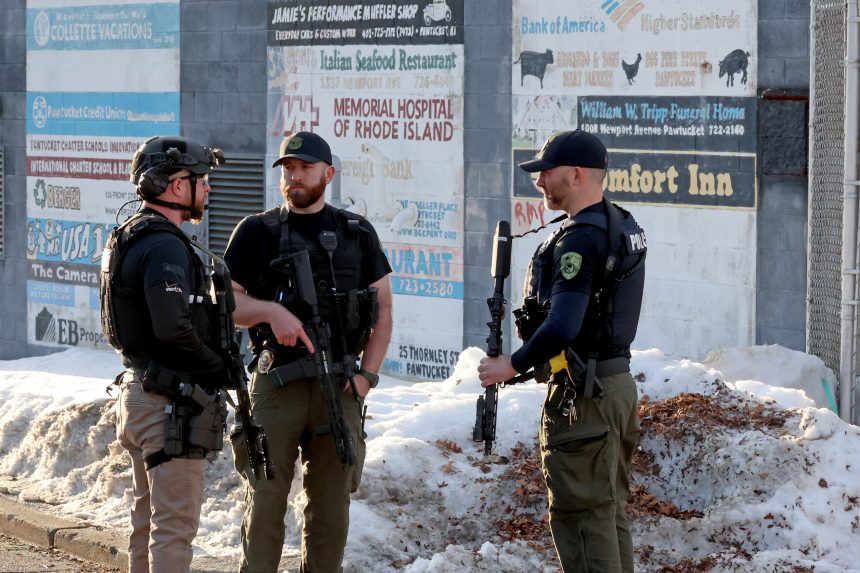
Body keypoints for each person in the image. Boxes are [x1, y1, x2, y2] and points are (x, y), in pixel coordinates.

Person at [478, 129, 646, 573]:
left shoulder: (581, 239)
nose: (539, 183)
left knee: (582, 519)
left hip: (584, 399)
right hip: (615, 388)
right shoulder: (621, 223)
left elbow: (563, 324)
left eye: (546, 173)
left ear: (576, 174)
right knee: (607, 513)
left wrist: (509, 365)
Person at [223, 131, 393, 573]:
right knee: (264, 500)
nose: (295, 177)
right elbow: (228, 303)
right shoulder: (255, 232)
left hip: (339, 385)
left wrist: (366, 378)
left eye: (306, 168)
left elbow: (384, 310)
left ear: (328, 173)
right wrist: (270, 312)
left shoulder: (356, 233)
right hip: (276, 384)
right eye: (289, 169)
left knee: (331, 508)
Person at [99, 135, 227, 572]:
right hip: (166, 406)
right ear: (176, 185)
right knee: (173, 528)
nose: (207, 189)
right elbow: (172, 326)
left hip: (140, 394)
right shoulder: (165, 245)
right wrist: (217, 367)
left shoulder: (130, 235)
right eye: (201, 180)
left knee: (145, 521)